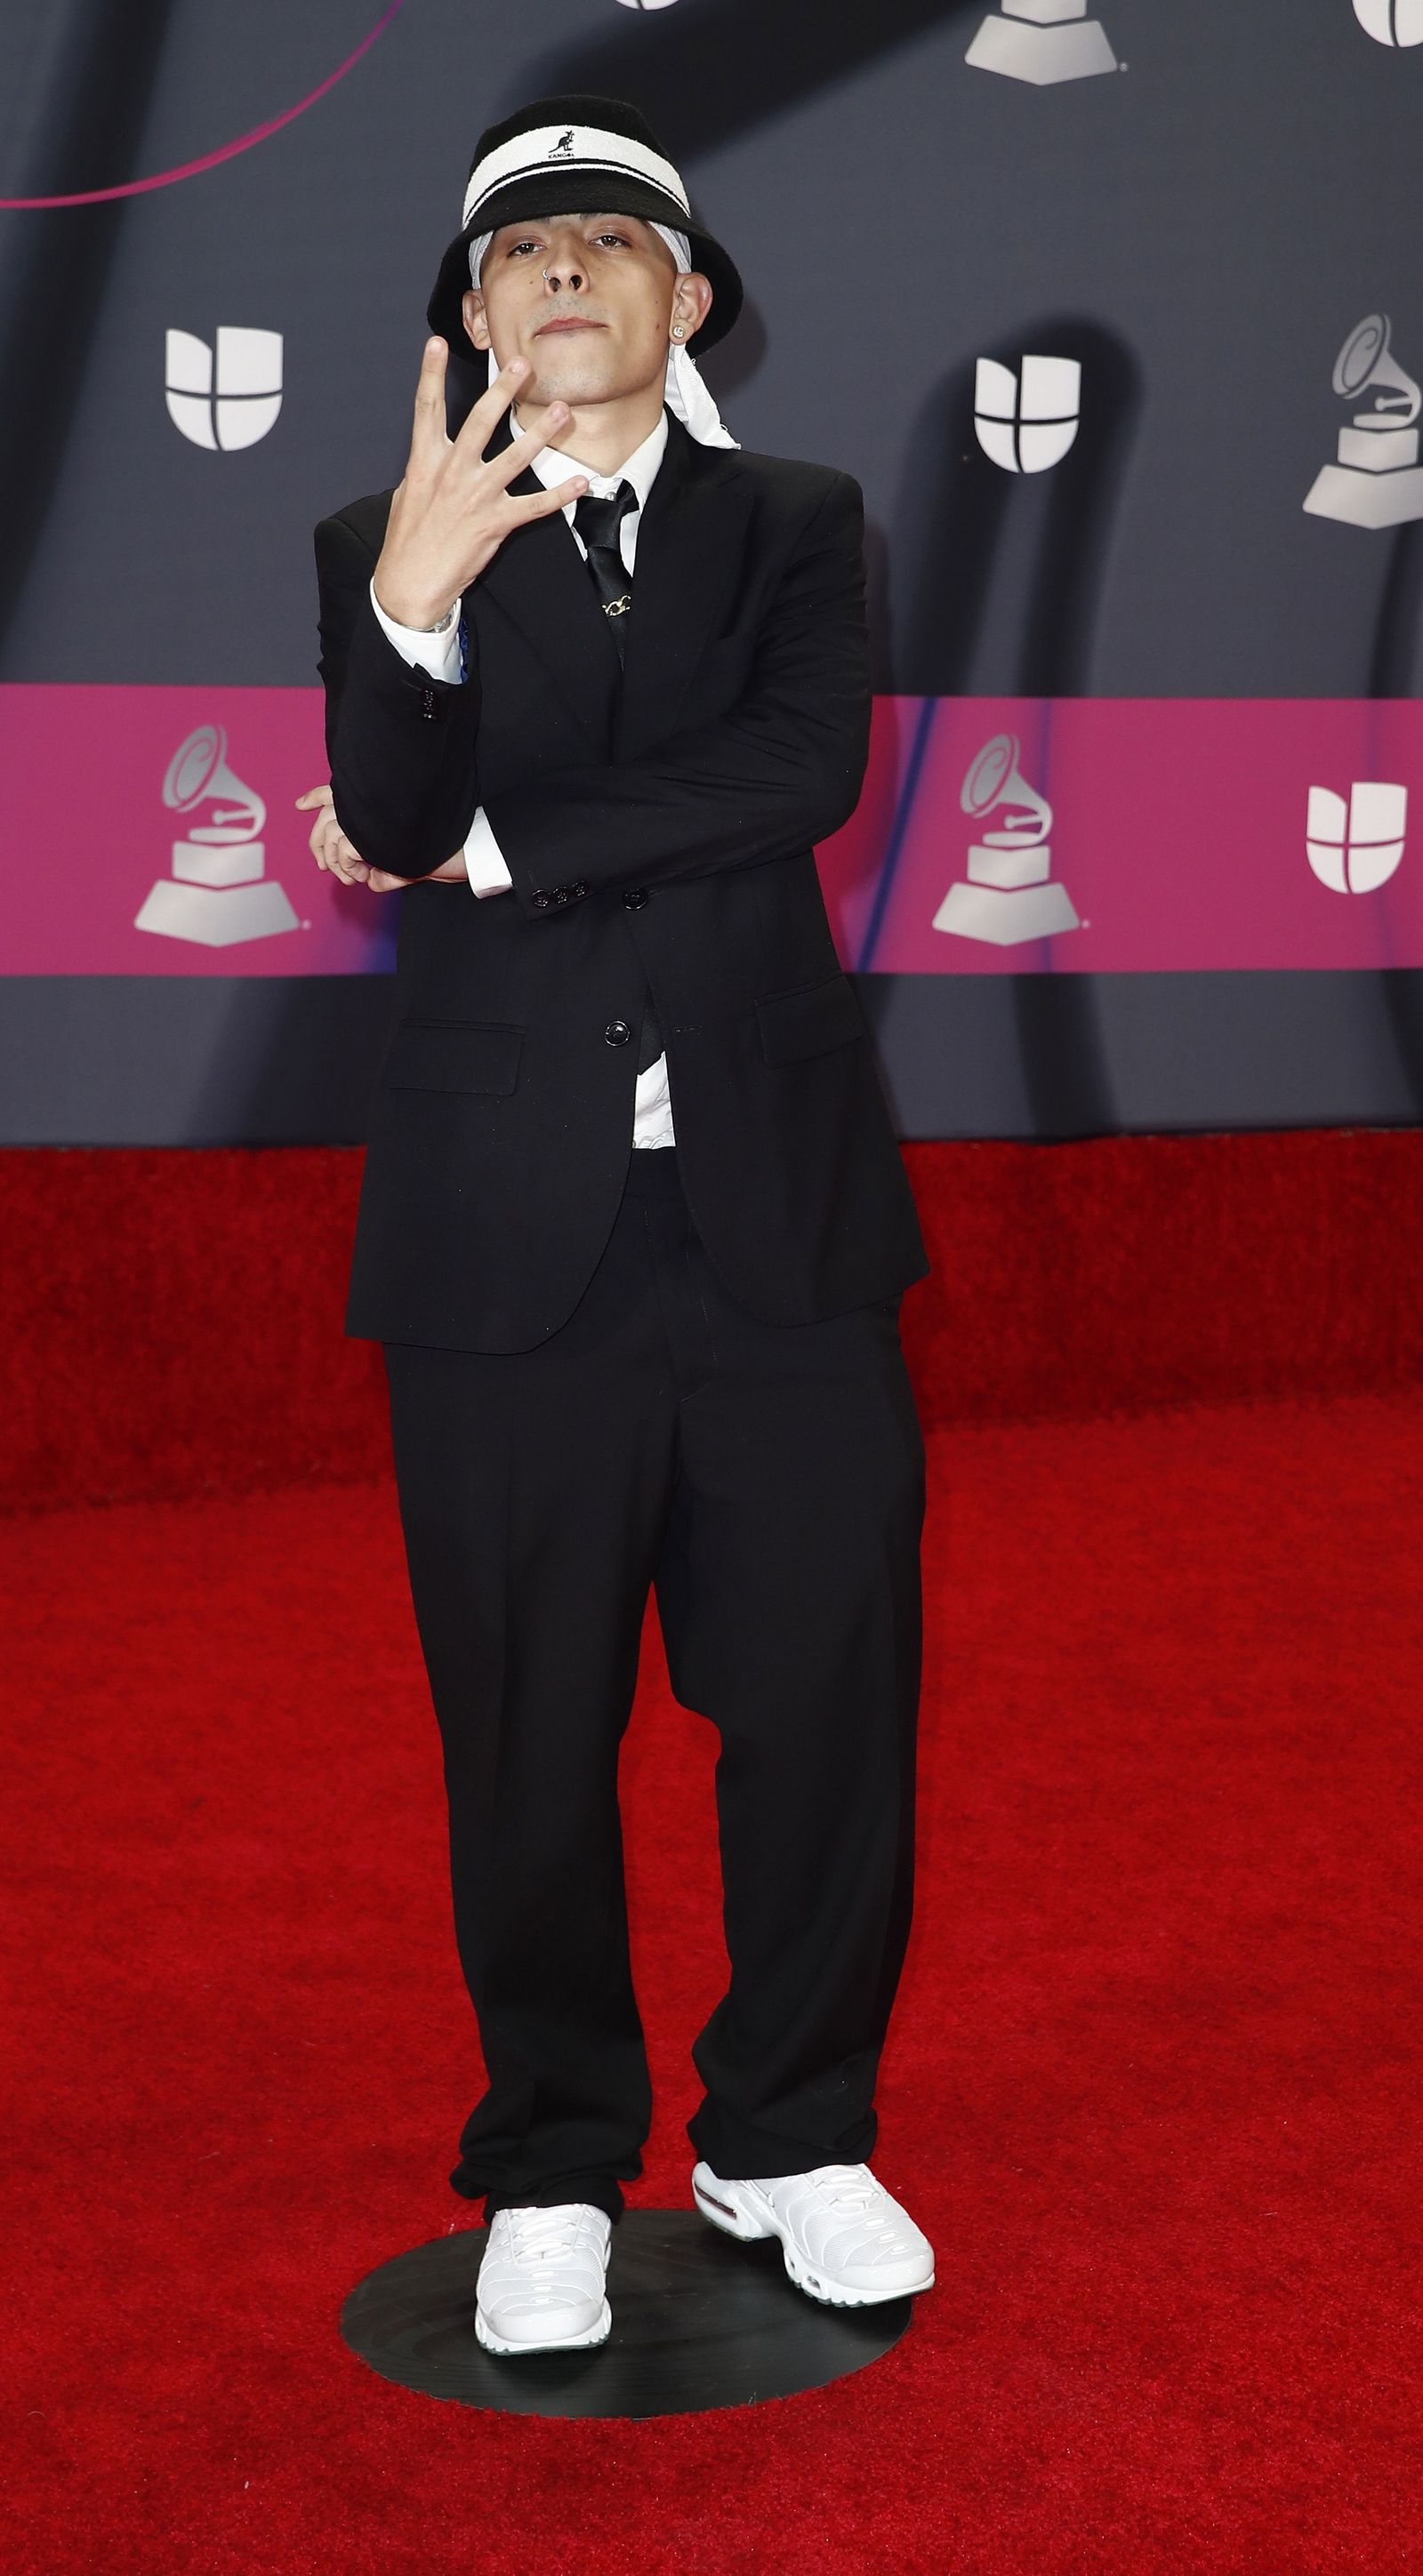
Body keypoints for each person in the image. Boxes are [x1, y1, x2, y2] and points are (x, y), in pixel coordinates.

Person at [303, 93, 935, 2358]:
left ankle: (789, 2132)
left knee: (828, 1705)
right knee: (523, 1724)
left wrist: (493, 850)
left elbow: (794, 773)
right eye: (518, 249)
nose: (561, 267)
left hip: (778, 1224)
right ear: (472, 315)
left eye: (608, 239)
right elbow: (380, 794)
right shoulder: (379, 537)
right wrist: (411, 605)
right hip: (502, 1243)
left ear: (688, 299)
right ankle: (553, 2156)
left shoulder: (794, 520)